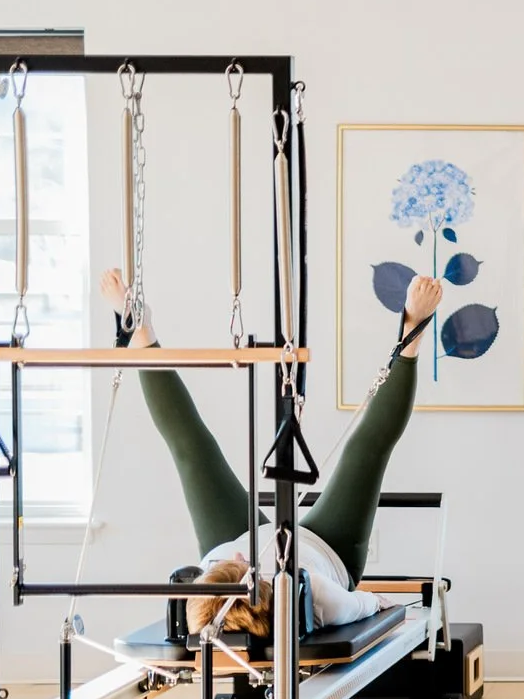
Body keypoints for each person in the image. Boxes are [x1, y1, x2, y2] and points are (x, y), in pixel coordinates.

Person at [97, 267, 440, 637]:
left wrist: (227, 563)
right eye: (241, 565)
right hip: (327, 549)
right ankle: (413, 331)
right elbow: (368, 604)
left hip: (231, 537)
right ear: (259, 581)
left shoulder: (214, 566)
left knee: (191, 449)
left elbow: (226, 566)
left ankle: (142, 332)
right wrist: (390, 610)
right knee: (365, 450)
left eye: (231, 565)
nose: (240, 557)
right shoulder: (322, 597)